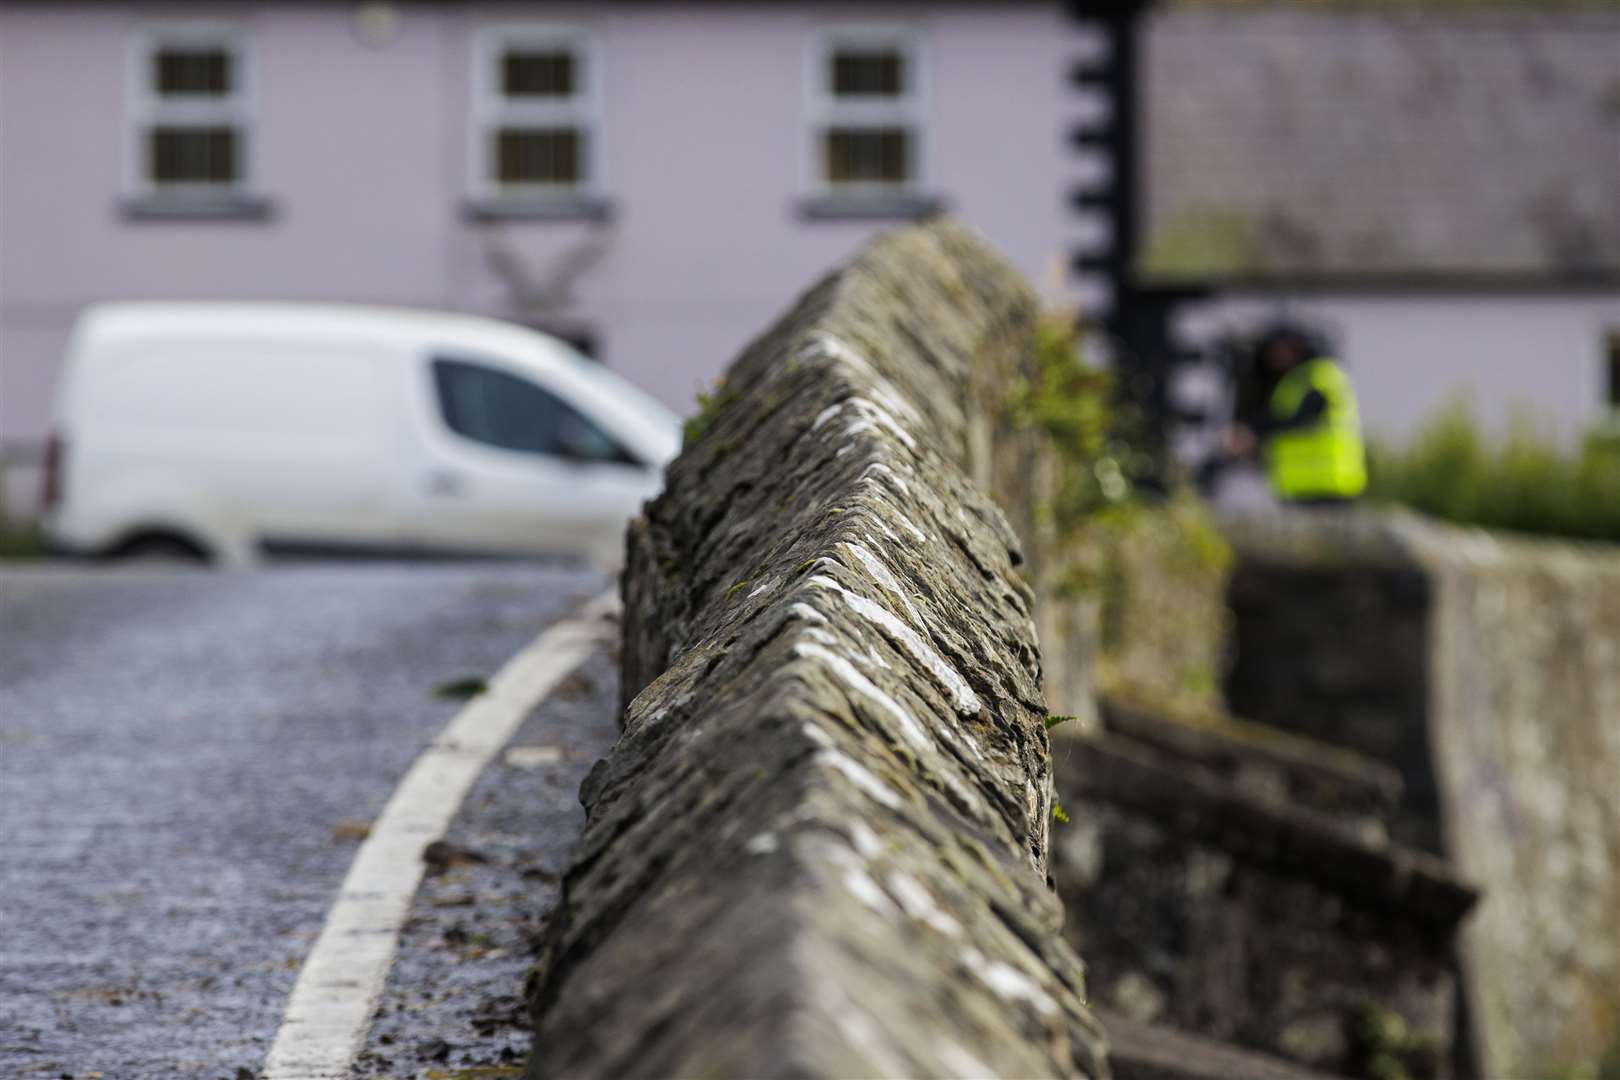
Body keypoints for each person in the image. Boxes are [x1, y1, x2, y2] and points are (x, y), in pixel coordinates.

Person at [1222, 324, 1366, 504]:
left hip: (1331, 487)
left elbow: (1300, 420)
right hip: (1297, 487)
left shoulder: (1322, 376)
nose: (1277, 357)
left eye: (1283, 350)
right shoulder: (1292, 381)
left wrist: (1253, 430)